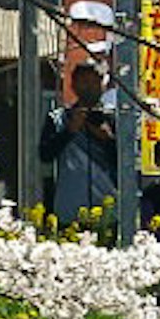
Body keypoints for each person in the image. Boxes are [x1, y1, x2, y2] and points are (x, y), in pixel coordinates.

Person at [44, 62, 118, 230]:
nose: (89, 88)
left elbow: (126, 163)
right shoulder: (58, 119)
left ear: (102, 85)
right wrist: (69, 131)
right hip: (69, 212)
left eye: (93, 82)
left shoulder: (114, 118)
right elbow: (45, 155)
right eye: (84, 82)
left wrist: (107, 139)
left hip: (109, 213)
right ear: (73, 85)